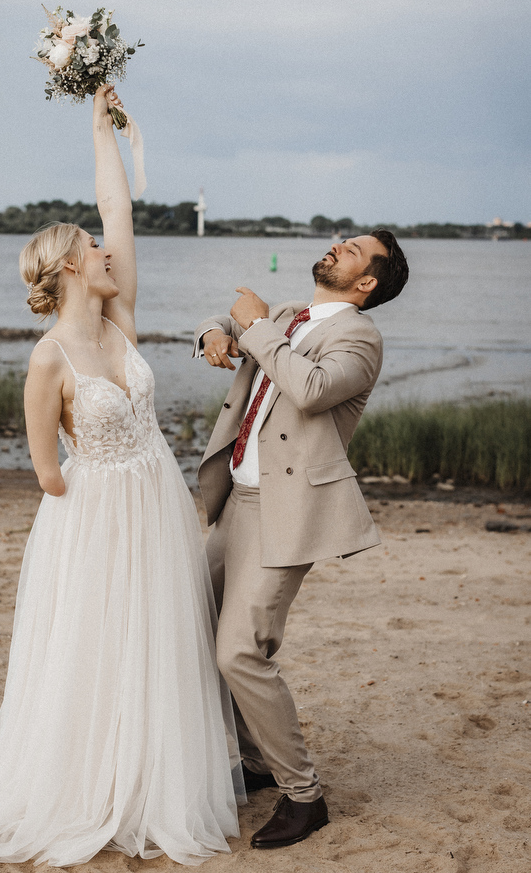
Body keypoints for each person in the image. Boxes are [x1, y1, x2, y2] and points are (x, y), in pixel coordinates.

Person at [0, 85, 241, 866]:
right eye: (96, 253)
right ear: (71, 265)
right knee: (100, 645)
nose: (109, 255)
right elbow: (47, 471)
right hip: (96, 514)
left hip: (157, 502)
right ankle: (91, 784)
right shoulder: (48, 360)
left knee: (159, 642)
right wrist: (95, 515)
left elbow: (119, 213)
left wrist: (100, 127)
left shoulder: (120, 320)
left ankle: (146, 778)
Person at [194, 231, 408, 850]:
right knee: (190, 621)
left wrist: (258, 327)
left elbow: (310, 388)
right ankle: (259, 762)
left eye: (353, 250)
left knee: (239, 653)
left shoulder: (359, 339)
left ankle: (304, 797)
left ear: (367, 282)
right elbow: (230, 320)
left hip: (285, 515)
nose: (338, 246)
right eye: (342, 241)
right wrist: (215, 333)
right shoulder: (292, 315)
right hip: (234, 500)